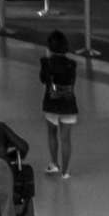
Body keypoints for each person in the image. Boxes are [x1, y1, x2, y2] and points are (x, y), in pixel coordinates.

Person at [39, 28, 78, 178]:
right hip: (69, 104)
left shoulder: (46, 63)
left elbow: (43, 79)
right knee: (66, 138)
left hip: (51, 103)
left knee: (51, 133)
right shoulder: (72, 64)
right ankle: (66, 172)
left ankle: (54, 163)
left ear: (50, 47)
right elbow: (72, 82)